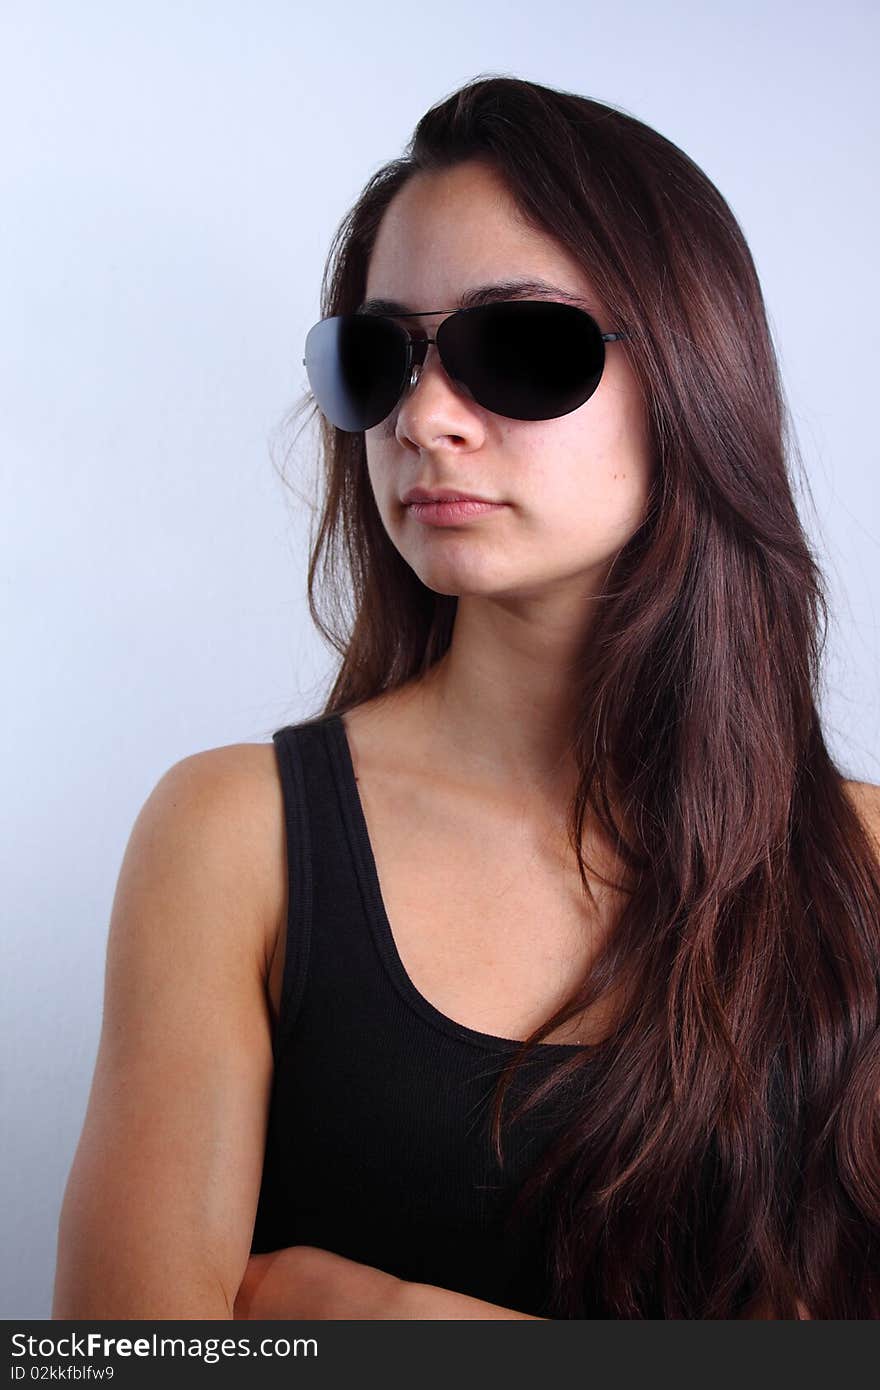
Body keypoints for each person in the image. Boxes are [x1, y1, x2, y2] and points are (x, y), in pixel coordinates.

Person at [52, 74, 880, 1321]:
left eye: (520, 349)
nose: (427, 417)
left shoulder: (862, 869)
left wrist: (385, 1320)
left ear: (694, 379)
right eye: (378, 358)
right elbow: (119, 1360)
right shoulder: (237, 836)